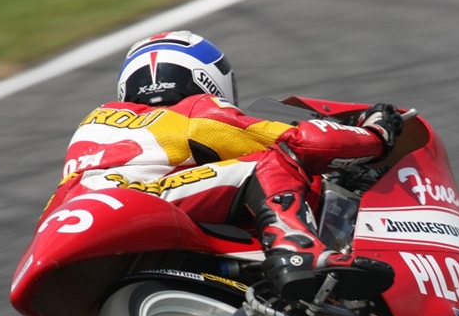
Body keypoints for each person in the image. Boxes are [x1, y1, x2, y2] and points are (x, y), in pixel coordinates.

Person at [51, 31, 402, 298]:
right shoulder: (191, 111)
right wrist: (376, 135)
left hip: (64, 239)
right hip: (134, 202)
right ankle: (297, 251)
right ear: (207, 78)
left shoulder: (96, 125)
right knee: (270, 161)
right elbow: (302, 142)